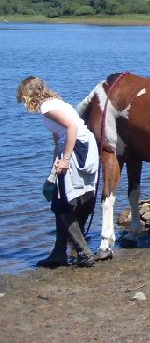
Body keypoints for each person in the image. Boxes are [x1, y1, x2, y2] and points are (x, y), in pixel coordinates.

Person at [17, 76, 98, 268]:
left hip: (77, 149)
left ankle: (84, 252)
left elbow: (71, 127)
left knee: (61, 204)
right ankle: (59, 253)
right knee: (62, 200)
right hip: (83, 146)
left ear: (30, 95)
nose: (23, 103)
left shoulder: (47, 108)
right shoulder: (55, 103)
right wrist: (55, 166)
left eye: (23, 98)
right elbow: (58, 135)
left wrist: (67, 159)